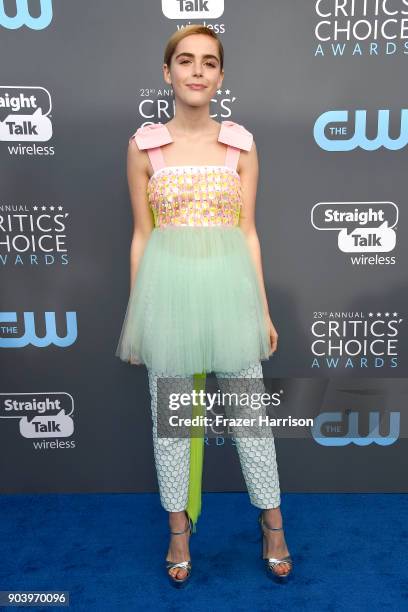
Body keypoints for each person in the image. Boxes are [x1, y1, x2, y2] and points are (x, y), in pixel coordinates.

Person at [115, 24, 293, 587]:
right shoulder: (144, 146)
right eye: (185, 60)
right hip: (167, 299)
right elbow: (142, 237)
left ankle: (272, 524)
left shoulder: (240, 144)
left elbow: (249, 234)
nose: (196, 70)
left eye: (208, 62)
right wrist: (138, 318)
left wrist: (262, 311)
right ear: (167, 73)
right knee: (172, 422)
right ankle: (177, 532)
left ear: (220, 76)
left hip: (229, 296)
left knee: (251, 420)